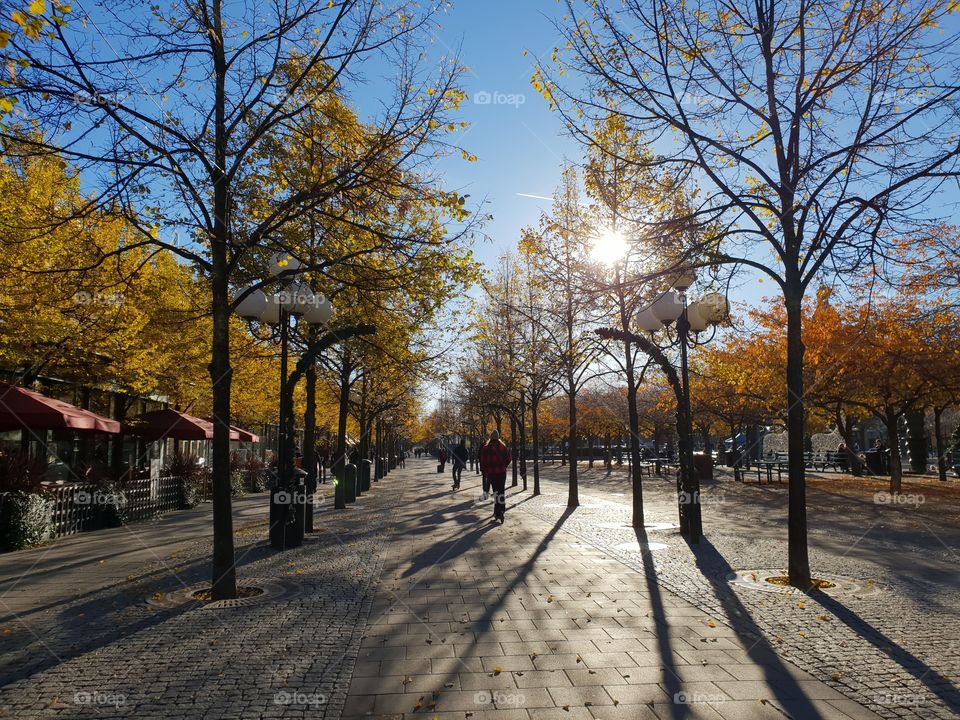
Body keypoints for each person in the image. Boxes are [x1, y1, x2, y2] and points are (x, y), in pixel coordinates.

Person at [479, 430, 512, 523]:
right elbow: (509, 458)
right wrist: (504, 465)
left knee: (496, 492)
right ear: (498, 437)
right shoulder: (503, 447)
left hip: (492, 473)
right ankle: (501, 510)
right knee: (501, 491)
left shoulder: (485, 448)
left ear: (490, 437)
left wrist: (486, 471)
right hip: (502, 473)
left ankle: (498, 512)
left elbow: (483, 462)